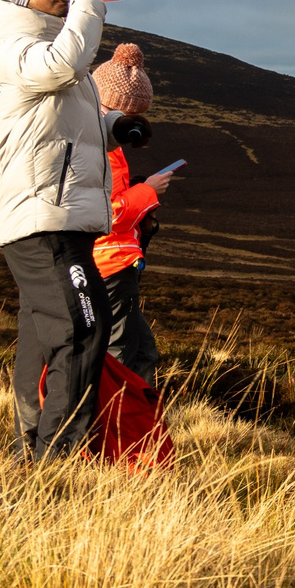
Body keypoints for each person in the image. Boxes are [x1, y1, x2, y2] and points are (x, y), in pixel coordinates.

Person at [0, 0, 136, 459]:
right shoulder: (18, 51)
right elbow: (63, 67)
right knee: (82, 327)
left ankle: (32, 448)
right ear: (21, 0)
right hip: (42, 217)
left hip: (61, 217)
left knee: (45, 337)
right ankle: (60, 456)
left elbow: (64, 116)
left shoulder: (50, 51)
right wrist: (88, 0)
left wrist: (116, 125)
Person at [91, 42, 175, 379]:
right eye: (127, 114)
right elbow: (108, 215)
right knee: (120, 352)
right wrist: (147, 192)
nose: (131, 125)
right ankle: (116, 422)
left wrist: (136, 189)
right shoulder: (100, 150)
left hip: (118, 263)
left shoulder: (104, 146)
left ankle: (140, 421)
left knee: (142, 350)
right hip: (108, 264)